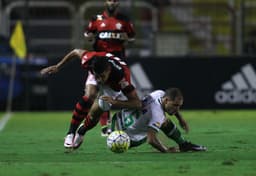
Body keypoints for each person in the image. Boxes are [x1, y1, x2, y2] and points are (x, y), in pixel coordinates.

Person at [40, 49, 142, 149]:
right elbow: (76, 51)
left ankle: (82, 131)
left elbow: (137, 103)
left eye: (102, 76)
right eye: (97, 76)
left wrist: (115, 102)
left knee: (97, 111)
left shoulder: (122, 78)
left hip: (112, 85)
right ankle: (70, 133)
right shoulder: (89, 60)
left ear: (108, 70)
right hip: (100, 72)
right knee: (89, 96)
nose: (99, 80)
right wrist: (58, 66)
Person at [84, 0, 136, 136]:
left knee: (114, 93)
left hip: (117, 62)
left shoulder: (124, 20)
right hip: (100, 61)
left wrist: (126, 39)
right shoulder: (96, 19)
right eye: (110, 0)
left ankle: (114, 123)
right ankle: (103, 124)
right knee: (95, 93)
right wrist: (89, 37)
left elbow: (132, 37)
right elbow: (88, 35)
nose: (112, 2)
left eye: (115, 0)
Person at [111, 88, 207, 153]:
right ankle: (184, 144)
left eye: (179, 106)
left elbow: (168, 107)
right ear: (166, 101)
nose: (177, 109)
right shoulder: (157, 115)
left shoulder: (159, 93)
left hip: (117, 119)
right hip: (127, 138)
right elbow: (151, 140)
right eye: (175, 105)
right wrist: (166, 150)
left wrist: (180, 118)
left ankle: (183, 144)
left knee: (160, 120)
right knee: (164, 121)